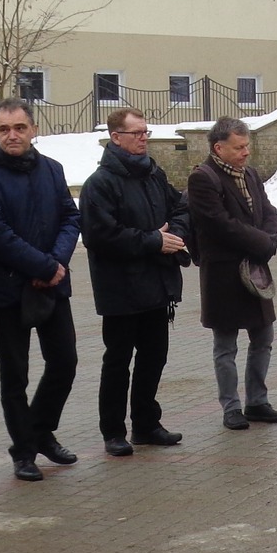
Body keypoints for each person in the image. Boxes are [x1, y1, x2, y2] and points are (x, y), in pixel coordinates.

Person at [0, 100, 81, 481]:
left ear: (33, 129)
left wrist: (57, 262)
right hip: (11, 289)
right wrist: (43, 267)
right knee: (15, 376)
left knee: (64, 363)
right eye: (4, 129)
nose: (12, 135)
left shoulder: (52, 169)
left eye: (19, 127)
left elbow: (70, 217)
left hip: (53, 287)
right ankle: (24, 451)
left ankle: (41, 431)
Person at [81, 109, 191, 456]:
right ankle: (113, 431)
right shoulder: (100, 183)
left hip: (157, 285)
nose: (144, 138)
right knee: (118, 362)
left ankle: (146, 424)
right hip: (120, 289)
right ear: (116, 137)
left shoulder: (153, 174)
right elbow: (100, 236)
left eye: (146, 132)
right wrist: (152, 240)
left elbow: (181, 208)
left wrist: (173, 235)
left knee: (154, 357)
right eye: (136, 133)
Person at [187, 117, 277, 432]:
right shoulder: (203, 178)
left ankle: (257, 401)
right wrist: (262, 243)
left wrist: (269, 240)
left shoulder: (251, 174)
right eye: (239, 147)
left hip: (254, 270)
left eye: (247, 146)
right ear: (219, 148)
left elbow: (269, 212)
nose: (246, 152)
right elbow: (220, 224)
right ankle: (231, 407)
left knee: (263, 337)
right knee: (226, 345)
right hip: (223, 274)